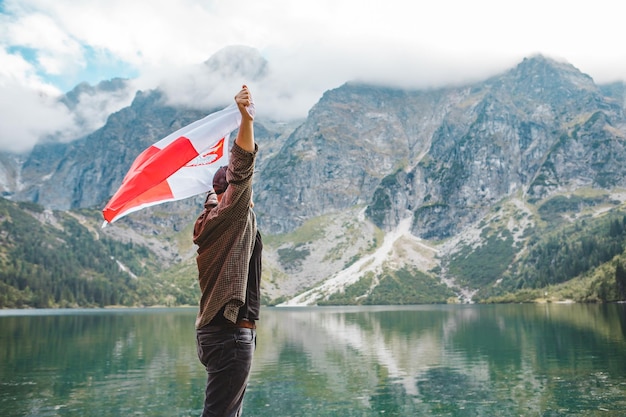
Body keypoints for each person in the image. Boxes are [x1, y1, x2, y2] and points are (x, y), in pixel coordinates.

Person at [193, 85, 262, 417]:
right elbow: (242, 168)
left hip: (218, 334)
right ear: (229, 195)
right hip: (229, 335)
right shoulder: (231, 216)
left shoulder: (209, 220)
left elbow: (218, 191)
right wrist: (245, 121)